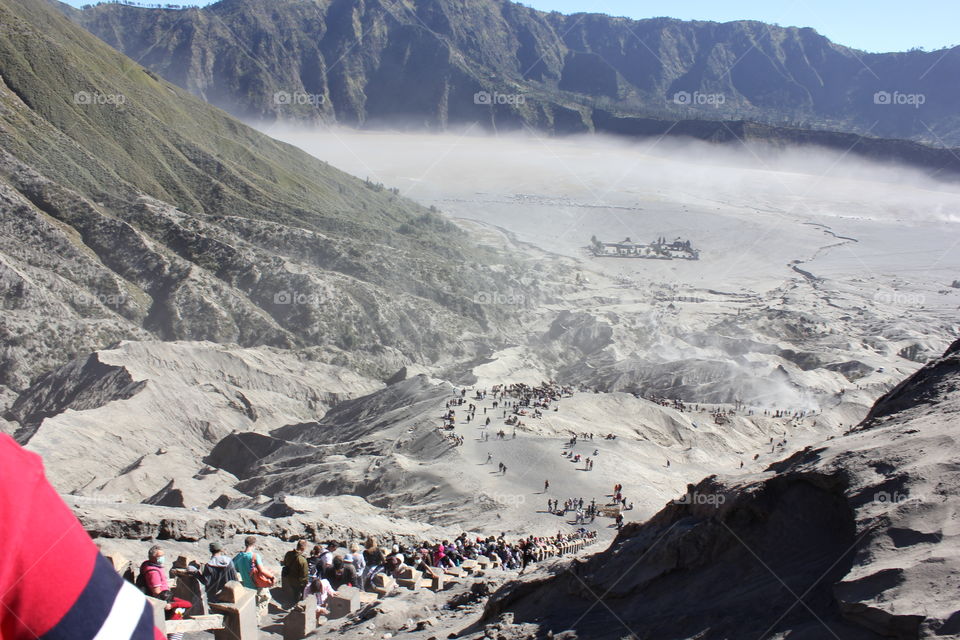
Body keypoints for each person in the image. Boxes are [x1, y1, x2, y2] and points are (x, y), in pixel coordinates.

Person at [139, 546, 192, 640]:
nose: (162, 557)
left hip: (166, 601)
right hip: (163, 601)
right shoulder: (153, 572)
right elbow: (156, 591)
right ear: (153, 557)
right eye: (160, 556)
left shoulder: (150, 566)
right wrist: (167, 603)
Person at [232, 536, 272, 619]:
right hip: (256, 584)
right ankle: (255, 620)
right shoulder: (254, 556)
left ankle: (249, 620)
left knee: (250, 603)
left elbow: (234, 567)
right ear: (254, 545)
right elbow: (262, 570)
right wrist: (272, 577)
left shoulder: (239, 556)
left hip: (246, 584)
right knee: (264, 599)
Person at [282, 540, 310, 605]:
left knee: (294, 592)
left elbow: (285, 563)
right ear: (303, 548)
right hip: (298, 581)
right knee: (298, 594)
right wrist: (305, 583)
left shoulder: (288, 554)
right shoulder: (302, 560)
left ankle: (294, 602)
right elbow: (304, 575)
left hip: (289, 577)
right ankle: (296, 605)